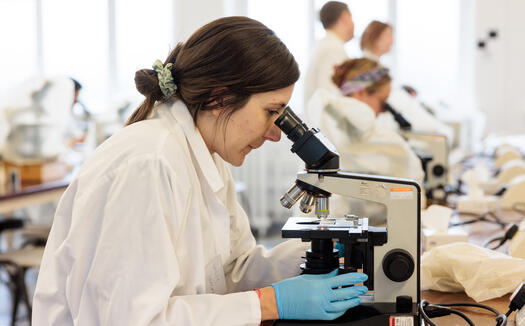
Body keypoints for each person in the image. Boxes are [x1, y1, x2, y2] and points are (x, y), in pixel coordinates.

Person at [32, 17, 368, 326]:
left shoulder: (207, 156)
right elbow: (134, 319)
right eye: (271, 112)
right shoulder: (150, 164)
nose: (276, 133)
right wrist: (270, 304)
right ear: (220, 98)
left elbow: (231, 271)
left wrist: (317, 254)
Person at [307, 58, 425, 222]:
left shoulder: (327, 117)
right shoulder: (357, 130)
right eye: (383, 102)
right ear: (361, 92)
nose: (384, 112)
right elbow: (413, 177)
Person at [304, 1, 354, 108]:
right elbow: (330, 95)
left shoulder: (325, 45)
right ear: (345, 17)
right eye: (351, 17)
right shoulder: (333, 48)